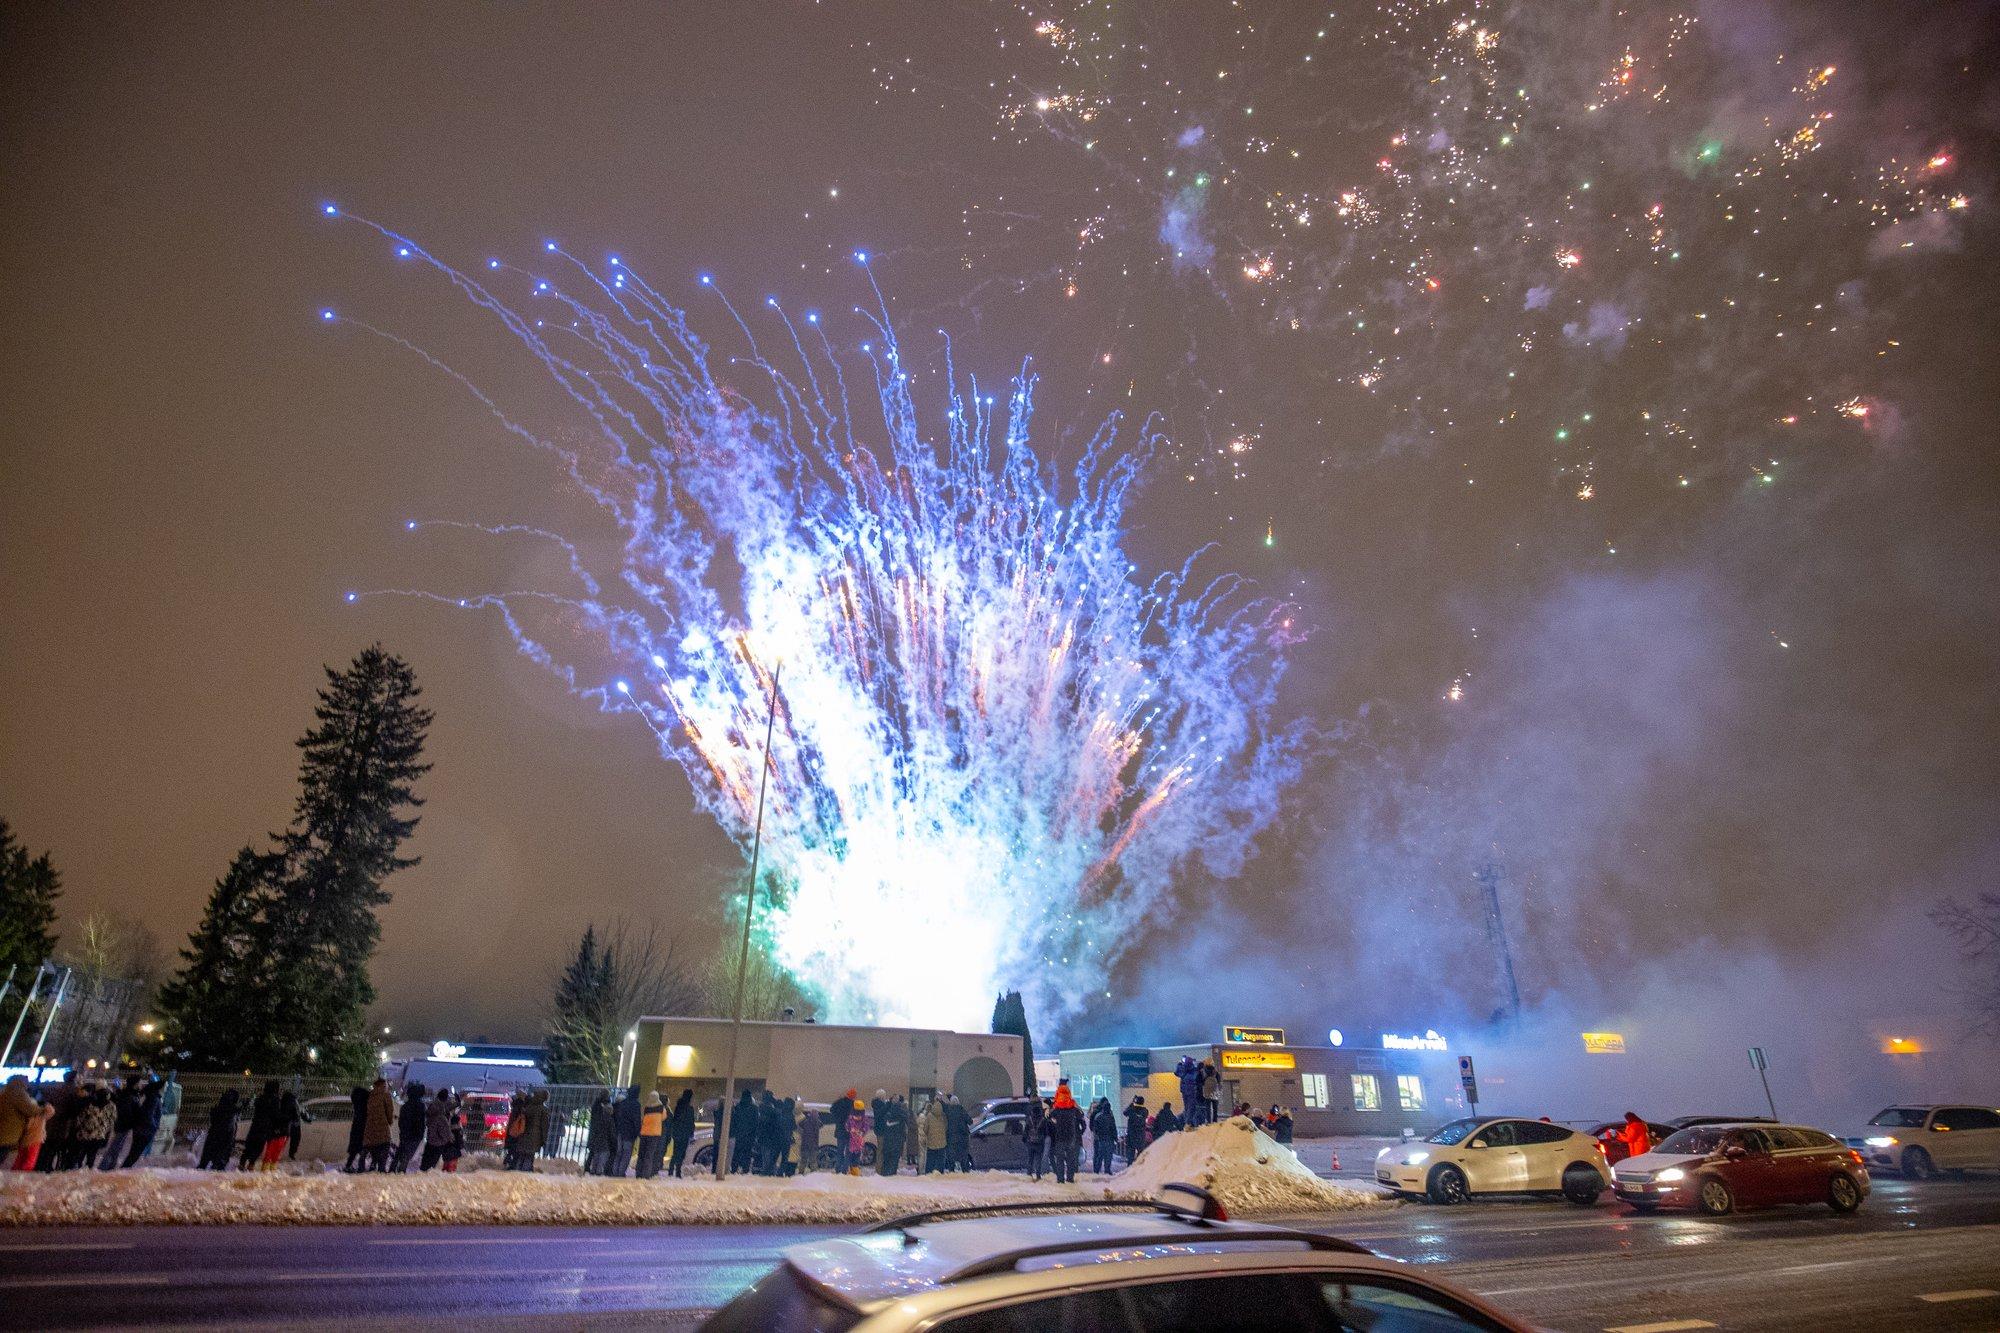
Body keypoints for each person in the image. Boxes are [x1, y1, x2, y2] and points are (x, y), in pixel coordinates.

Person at [38, 1071, 81, 1172]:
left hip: (52, 1121)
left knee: (47, 1146)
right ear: (74, 1079)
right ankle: (47, 1166)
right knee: (54, 1147)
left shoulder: (58, 1089)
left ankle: (41, 1165)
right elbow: (73, 1110)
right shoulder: (73, 1091)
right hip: (62, 1124)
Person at [240, 1080, 282, 1170]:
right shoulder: (276, 1100)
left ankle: (242, 1162)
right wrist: (277, 1127)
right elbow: (276, 1115)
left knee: (250, 1143)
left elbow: (256, 1108)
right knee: (259, 1146)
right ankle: (251, 1164)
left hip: (256, 1124)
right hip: (266, 1126)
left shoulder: (261, 1098)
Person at [0, 1074, 40, 1166]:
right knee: (2, 1153)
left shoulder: (5, 1092)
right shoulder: (18, 1093)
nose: (28, 1084)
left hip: (4, 1128)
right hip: (9, 1131)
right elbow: (30, 1109)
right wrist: (43, 1109)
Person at [1047, 1082, 1082, 1184]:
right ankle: (1070, 1178)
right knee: (1070, 1159)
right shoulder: (1072, 1108)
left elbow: (1049, 1116)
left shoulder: (1056, 1109)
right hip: (1071, 1136)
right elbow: (1081, 1115)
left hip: (1059, 1137)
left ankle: (1060, 1179)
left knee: (1060, 1160)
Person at [73, 1084, 115, 1170]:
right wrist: (106, 1132)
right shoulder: (111, 1106)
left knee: (82, 1152)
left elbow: (81, 1118)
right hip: (99, 1134)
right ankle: (88, 1168)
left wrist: (78, 1128)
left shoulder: (89, 1104)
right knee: (92, 1153)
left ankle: (78, 1167)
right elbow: (112, 1120)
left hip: (86, 1133)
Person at [198, 1090, 241, 1170]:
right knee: (219, 1162)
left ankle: (205, 1166)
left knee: (206, 1159)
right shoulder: (233, 1112)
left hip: (214, 1135)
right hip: (225, 1137)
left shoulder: (217, 1109)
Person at [393, 1083, 427, 1173]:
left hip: (405, 1133)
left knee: (400, 1151)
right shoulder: (421, 1106)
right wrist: (421, 1133)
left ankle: (393, 1169)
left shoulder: (405, 1106)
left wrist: (403, 1131)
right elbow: (421, 1121)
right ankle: (401, 1171)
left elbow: (401, 1121)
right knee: (407, 1155)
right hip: (416, 1134)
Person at [362, 1078, 394, 1171]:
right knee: (384, 1149)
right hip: (382, 1128)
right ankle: (381, 1170)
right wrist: (390, 1121)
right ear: (382, 1086)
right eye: (385, 1085)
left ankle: (372, 1166)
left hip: (370, 1129)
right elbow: (389, 1111)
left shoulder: (370, 1095)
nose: (386, 1087)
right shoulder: (385, 1095)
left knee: (373, 1149)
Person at [613, 1085, 643, 1178]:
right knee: (626, 1153)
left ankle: (615, 1171)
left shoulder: (623, 1103)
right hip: (630, 1133)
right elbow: (636, 1120)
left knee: (619, 1152)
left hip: (620, 1131)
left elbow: (619, 1117)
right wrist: (638, 1132)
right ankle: (621, 1172)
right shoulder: (636, 1104)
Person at [423, 1088, 456, 1172]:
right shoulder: (441, 1115)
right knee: (432, 1164)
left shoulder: (432, 1108)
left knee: (425, 1162)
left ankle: (422, 1173)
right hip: (438, 1142)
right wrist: (448, 1138)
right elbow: (444, 1130)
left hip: (430, 1139)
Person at [727, 1089, 758, 1175]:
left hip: (739, 1135)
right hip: (749, 1136)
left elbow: (733, 1121)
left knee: (736, 1153)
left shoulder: (737, 1107)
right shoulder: (754, 1109)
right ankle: (745, 1170)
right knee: (747, 1154)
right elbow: (755, 1123)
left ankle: (734, 1169)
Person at [635, 1093, 666, 1179]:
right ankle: (646, 1174)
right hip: (654, 1134)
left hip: (644, 1133)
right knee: (649, 1155)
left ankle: (638, 1173)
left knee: (641, 1154)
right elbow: (663, 1118)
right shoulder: (661, 1109)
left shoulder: (646, 1108)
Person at [667, 1089, 696, 1179]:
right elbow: (691, 1122)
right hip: (685, 1133)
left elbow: (675, 1120)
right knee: (682, 1153)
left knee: (676, 1152)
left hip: (677, 1133)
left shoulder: (678, 1107)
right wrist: (691, 1132)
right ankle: (678, 1171)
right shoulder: (690, 1109)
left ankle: (671, 1170)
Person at [584, 1092, 614, 1175]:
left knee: (594, 1153)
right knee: (601, 1156)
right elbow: (611, 1132)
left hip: (595, 1133)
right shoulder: (609, 1117)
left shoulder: (596, 1104)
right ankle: (598, 1171)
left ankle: (590, 1169)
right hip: (604, 1139)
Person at [343, 1083, 371, 1172]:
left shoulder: (357, 1104)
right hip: (363, 1129)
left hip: (356, 1129)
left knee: (354, 1150)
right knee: (363, 1149)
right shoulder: (365, 1105)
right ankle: (360, 1168)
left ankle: (348, 1166)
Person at [877, 1094, 907, 1177]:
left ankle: (884, 1175)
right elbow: (907, 1122)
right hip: (897, 1140)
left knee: (886, 1159)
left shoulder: (886, 1114)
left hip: (887, 1140)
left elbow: (880, 1119)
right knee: (894, 1160)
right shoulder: (902, 1115)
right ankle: (891, 1176)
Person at [830, 1090, 857, 1174]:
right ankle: (844, 1170)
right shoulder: (853, 1105)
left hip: (840, 1131)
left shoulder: (839, 1102)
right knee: (848, 1152)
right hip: (850, 1132)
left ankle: (838, 1168)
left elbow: (832, 1109)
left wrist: (837, 1119)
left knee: (840, 1151)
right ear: (853, 1096)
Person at [1089, 1096, 1118, 1174]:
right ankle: (1107, 1170)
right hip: (1108, 1138)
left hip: (1098, 1138)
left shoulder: (1096, 1113)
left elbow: (1092, 1126)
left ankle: (1096, 1170)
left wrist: (1096, 1134)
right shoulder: (1110, 1115)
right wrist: (1115, 1138)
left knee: (1098, 1155)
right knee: (1107, 1155)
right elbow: (1113, 1127)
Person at [919, 1095, 947, 1174]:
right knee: (940, 1160)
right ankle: (940, 1172)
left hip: (931, 1142)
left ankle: (929, 1173)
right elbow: (946, 1127)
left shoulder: (929, 1116)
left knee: (930, 1160)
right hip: (942, 1142)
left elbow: (925, 1129)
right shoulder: (943, 1116)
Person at [944, 1093, 971, 1172]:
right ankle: (965, 1171)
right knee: (963, 1156)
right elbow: (970, 1121)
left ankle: (951, 1171)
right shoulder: (962, 1110)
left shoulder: (948, 1111)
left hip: (951, 1137)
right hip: (962, 1137)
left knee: (951, 1156)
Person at [1023, 1095, 1048, 1180]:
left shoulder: (1029, 1119)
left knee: (1030, 1159)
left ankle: (1029, 1173)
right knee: (1038, 1159)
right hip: (1039, 1143)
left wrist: (1025, 1139)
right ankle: (1038, 1175)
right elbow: (1045, 1131)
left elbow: (1026, 1130)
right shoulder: (1043, 1120)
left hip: (1030, 1141)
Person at [794, 1099, 820, 1175]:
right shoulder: (817, 1123)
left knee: (803, 1161)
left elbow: (798, 1128)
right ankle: (813, 1174)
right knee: (813, 1161)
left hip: (804, 1145)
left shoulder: (805, 1122)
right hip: (813, 1146)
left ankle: (801, 1173)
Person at [845, 1097, 869, 1175]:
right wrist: (861, 1132)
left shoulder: (850, 1118)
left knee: (849, 1158)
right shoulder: (864, 1118)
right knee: (856, 1159)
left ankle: (849, 1172)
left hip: (851, 1142)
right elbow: (866, 1128)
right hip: (859, 1142)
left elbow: (847, 1127)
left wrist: (851, 1130)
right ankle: (855, 1173)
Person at [1177, 1056, 1202, 1129]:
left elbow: (1177, 1072)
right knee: (1191, 1107)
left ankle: (1187, 1123)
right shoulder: (1193, 1070)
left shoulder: (1182, 1069)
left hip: (1184, 1090)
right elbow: (1195, 1076)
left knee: (1187, 1107)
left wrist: (1179, 1064)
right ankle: (1188, 1123)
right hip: (1191, 1090)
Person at [1123, 1095, 1149, 1164]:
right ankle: (1139, 1170)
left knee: (1130, 1156)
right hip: (1140, 1136)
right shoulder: (1145, 1111)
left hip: (1131, 1136)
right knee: (1140, 1155)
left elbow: (1125, 1112)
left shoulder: (1132, 1110)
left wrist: (1132, 1103)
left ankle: (1130, 1170)